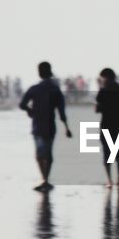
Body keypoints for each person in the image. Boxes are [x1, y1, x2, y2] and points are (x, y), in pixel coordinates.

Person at [18, 61, 71, 192]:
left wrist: (30, 111)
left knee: (39, 154)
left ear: (39, 72)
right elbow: (61, 111)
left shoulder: (35, 88)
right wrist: (66, 127)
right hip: (49, 126)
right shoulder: (55, 89)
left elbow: (22, 104)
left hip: (38, 125)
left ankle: (44, 179)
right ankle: (45, 179)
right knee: (48, 153)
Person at [95, 67, 119, 188]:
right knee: (118, 152)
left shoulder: (103, 91)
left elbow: (97, 109)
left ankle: (109, 180)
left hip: (106, 125)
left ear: (106, 77)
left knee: (107, 152)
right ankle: (118, 177)